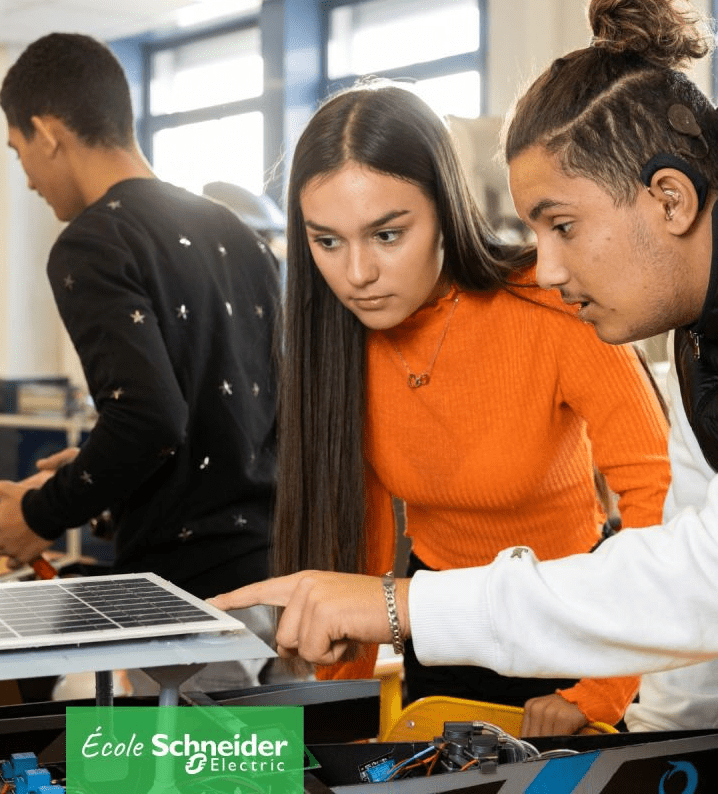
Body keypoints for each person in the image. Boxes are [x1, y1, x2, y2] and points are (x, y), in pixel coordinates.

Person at [211, 0, 718, 732]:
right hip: (472, 631)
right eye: (328, 242)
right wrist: (658, 738)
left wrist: (597, 699)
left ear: (670, 200)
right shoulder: (709, 322)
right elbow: (692, 555)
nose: (546, 268)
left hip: (552, 624)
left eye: (563, 225)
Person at [214, 81, 671, 735]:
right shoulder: (339, 341)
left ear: (445, 210)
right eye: (328, 242)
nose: (358, 274)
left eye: (388, 234)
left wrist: (603, 688)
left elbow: (659, 495)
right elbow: (362, 531)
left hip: (573, 627)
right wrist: (342, 706)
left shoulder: (550, 304)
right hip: (436, 626)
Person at [0, 32, 280, 692]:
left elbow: (148, 420)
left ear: (48, 131)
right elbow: (238, 415)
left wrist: (37, 517)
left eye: (19, 152)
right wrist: (97, 472)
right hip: (274, 584)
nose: (28, 178)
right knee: (257, 776)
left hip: (183, 604)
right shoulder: (239, 234)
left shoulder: (91, 242)